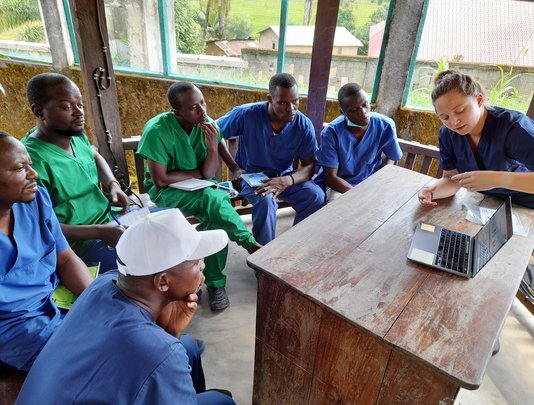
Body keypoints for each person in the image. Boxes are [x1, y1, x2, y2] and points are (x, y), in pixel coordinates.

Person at [17, 209, 236, 404]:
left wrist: (170, 333)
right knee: (221, 400)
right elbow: (157, 354)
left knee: (187, 348)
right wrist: (166, 342)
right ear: (162, 282)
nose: (203, 265)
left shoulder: (104, 283)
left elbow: (155, 352)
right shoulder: (161, 353)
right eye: (197, 263)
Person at [136, 81, 259, 311]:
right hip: (166, 192)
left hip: (201, 187)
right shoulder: (157, 130)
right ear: (177, 111)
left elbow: (210, 173)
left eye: (202, 102)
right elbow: (160, 180)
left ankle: (208, 282)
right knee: (214, 200)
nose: (202, 110)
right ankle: (247, 246)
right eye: (194, 107)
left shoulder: (208, 125)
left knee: (214, 218)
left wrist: (213, 147)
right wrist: (199, 173)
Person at [0, 132, 93, 371]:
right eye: (20, 168)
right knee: (97, 359)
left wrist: (95, 299)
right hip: (16, 332)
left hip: (57, 305)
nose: (34, 174)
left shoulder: (36, 201)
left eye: (30, 164)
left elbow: (65, 258)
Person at [23, 73, 131, 273]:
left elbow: (94, 156)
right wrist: (98, 231)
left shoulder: (74, 135)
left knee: (169, 228)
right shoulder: (30, 162)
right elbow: (41, 227)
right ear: (39, 111)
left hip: (111, 220)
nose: (79, 112)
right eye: (67, 107)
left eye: (79, 105)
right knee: (144, 266)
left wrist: (112, 184)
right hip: (77, 248)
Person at [217, 73, 325, 244]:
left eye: (295, 101)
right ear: (270, 99)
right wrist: (234, 168)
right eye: (283, 102)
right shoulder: (246, 114)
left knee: (316, 196)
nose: (291, 108)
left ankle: (294, 244)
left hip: (284, 176)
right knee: (266, 200)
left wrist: (286, 180)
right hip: (251, 177)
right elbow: (214, 133)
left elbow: (309, 165)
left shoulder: (303, 125)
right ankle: (262, 257)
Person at [418, 70, 534, 208]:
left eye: (460, 111)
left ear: (479, 100)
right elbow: (451, 178)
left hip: (531, 207)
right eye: (444, 117)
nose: (454, 122)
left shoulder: (514, 128)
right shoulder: (447, 134)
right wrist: (432, 192)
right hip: (486, 204)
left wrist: (498, 179)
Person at [315, 82, 402, 202]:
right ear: (343, 112)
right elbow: (331, 178)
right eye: (354, 110)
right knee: (337, 208)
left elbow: (393, 157)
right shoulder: (332, 133)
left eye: (365, 105)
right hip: (339, 187)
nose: (363, 112)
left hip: (369, 183)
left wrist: (381, 184)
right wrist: (358, 196)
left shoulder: (384, 125)